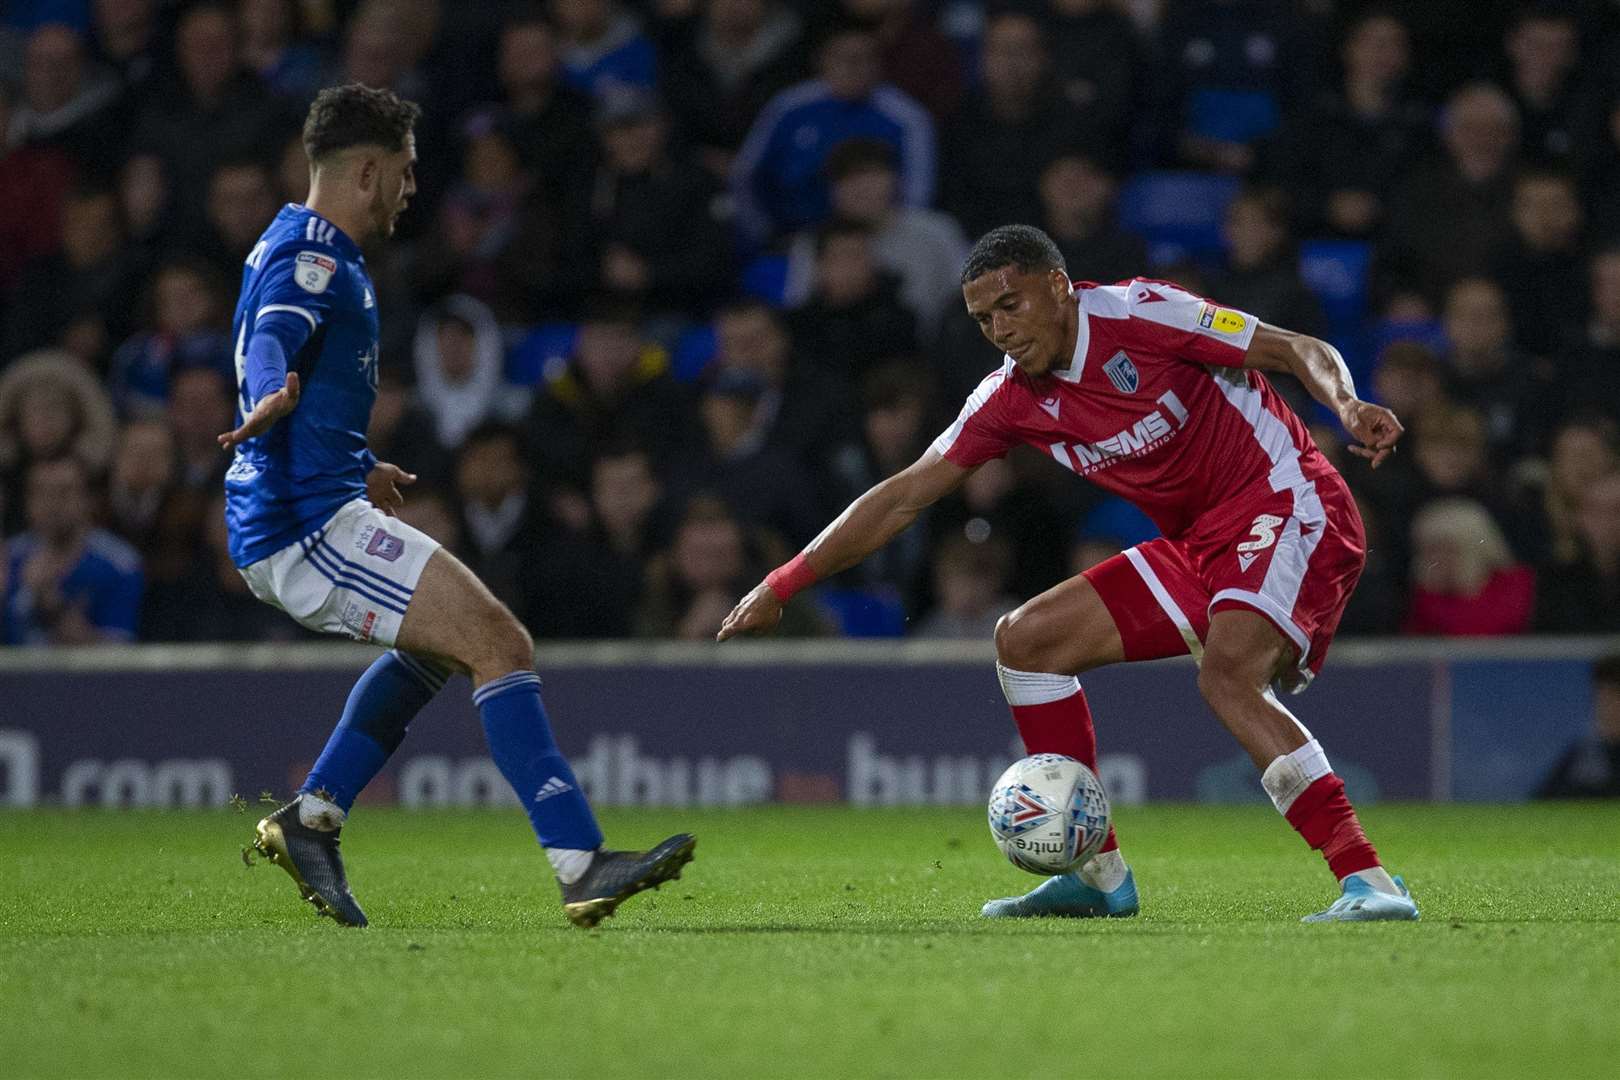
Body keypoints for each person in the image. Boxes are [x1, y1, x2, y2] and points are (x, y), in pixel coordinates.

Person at [719, 224, 1419, 923]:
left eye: (1011, 305)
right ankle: (1096, 873)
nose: (999, 329)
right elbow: (903, 495)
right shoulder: (1007, 398)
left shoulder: (1141, 312)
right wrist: (780, 584)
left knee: (1227, 673)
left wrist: (1346, 403)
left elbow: (1297, 348)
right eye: (984, 318)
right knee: (1027, 640)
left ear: (1058, 287)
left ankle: (1369, 881)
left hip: (1287, 498)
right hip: (1198, 546)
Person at [219, 84, 693, 930]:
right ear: (366, 170)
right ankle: (582, 863)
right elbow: (273, 343)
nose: (411, 188)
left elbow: (299, 361)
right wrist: (264, 395)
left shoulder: (304, 244)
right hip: (301, 528)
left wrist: (354, 464)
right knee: (498, 642)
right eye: (403, 171)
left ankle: (314, 819)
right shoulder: (313, 257)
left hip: (317, 505)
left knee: (441, 649)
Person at [3, 454, 143, 645]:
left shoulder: (119, 564)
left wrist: (50, 601)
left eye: (64, 492)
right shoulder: (9, 557)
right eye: (40, 492)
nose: (51, 503)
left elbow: (114, 660)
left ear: (88, 499)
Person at [1535, 653, 1620, 799]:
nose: (1608, 707)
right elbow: (1542, 805)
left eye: (1615, 696)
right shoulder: (1585, 757)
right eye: (1603, 696)